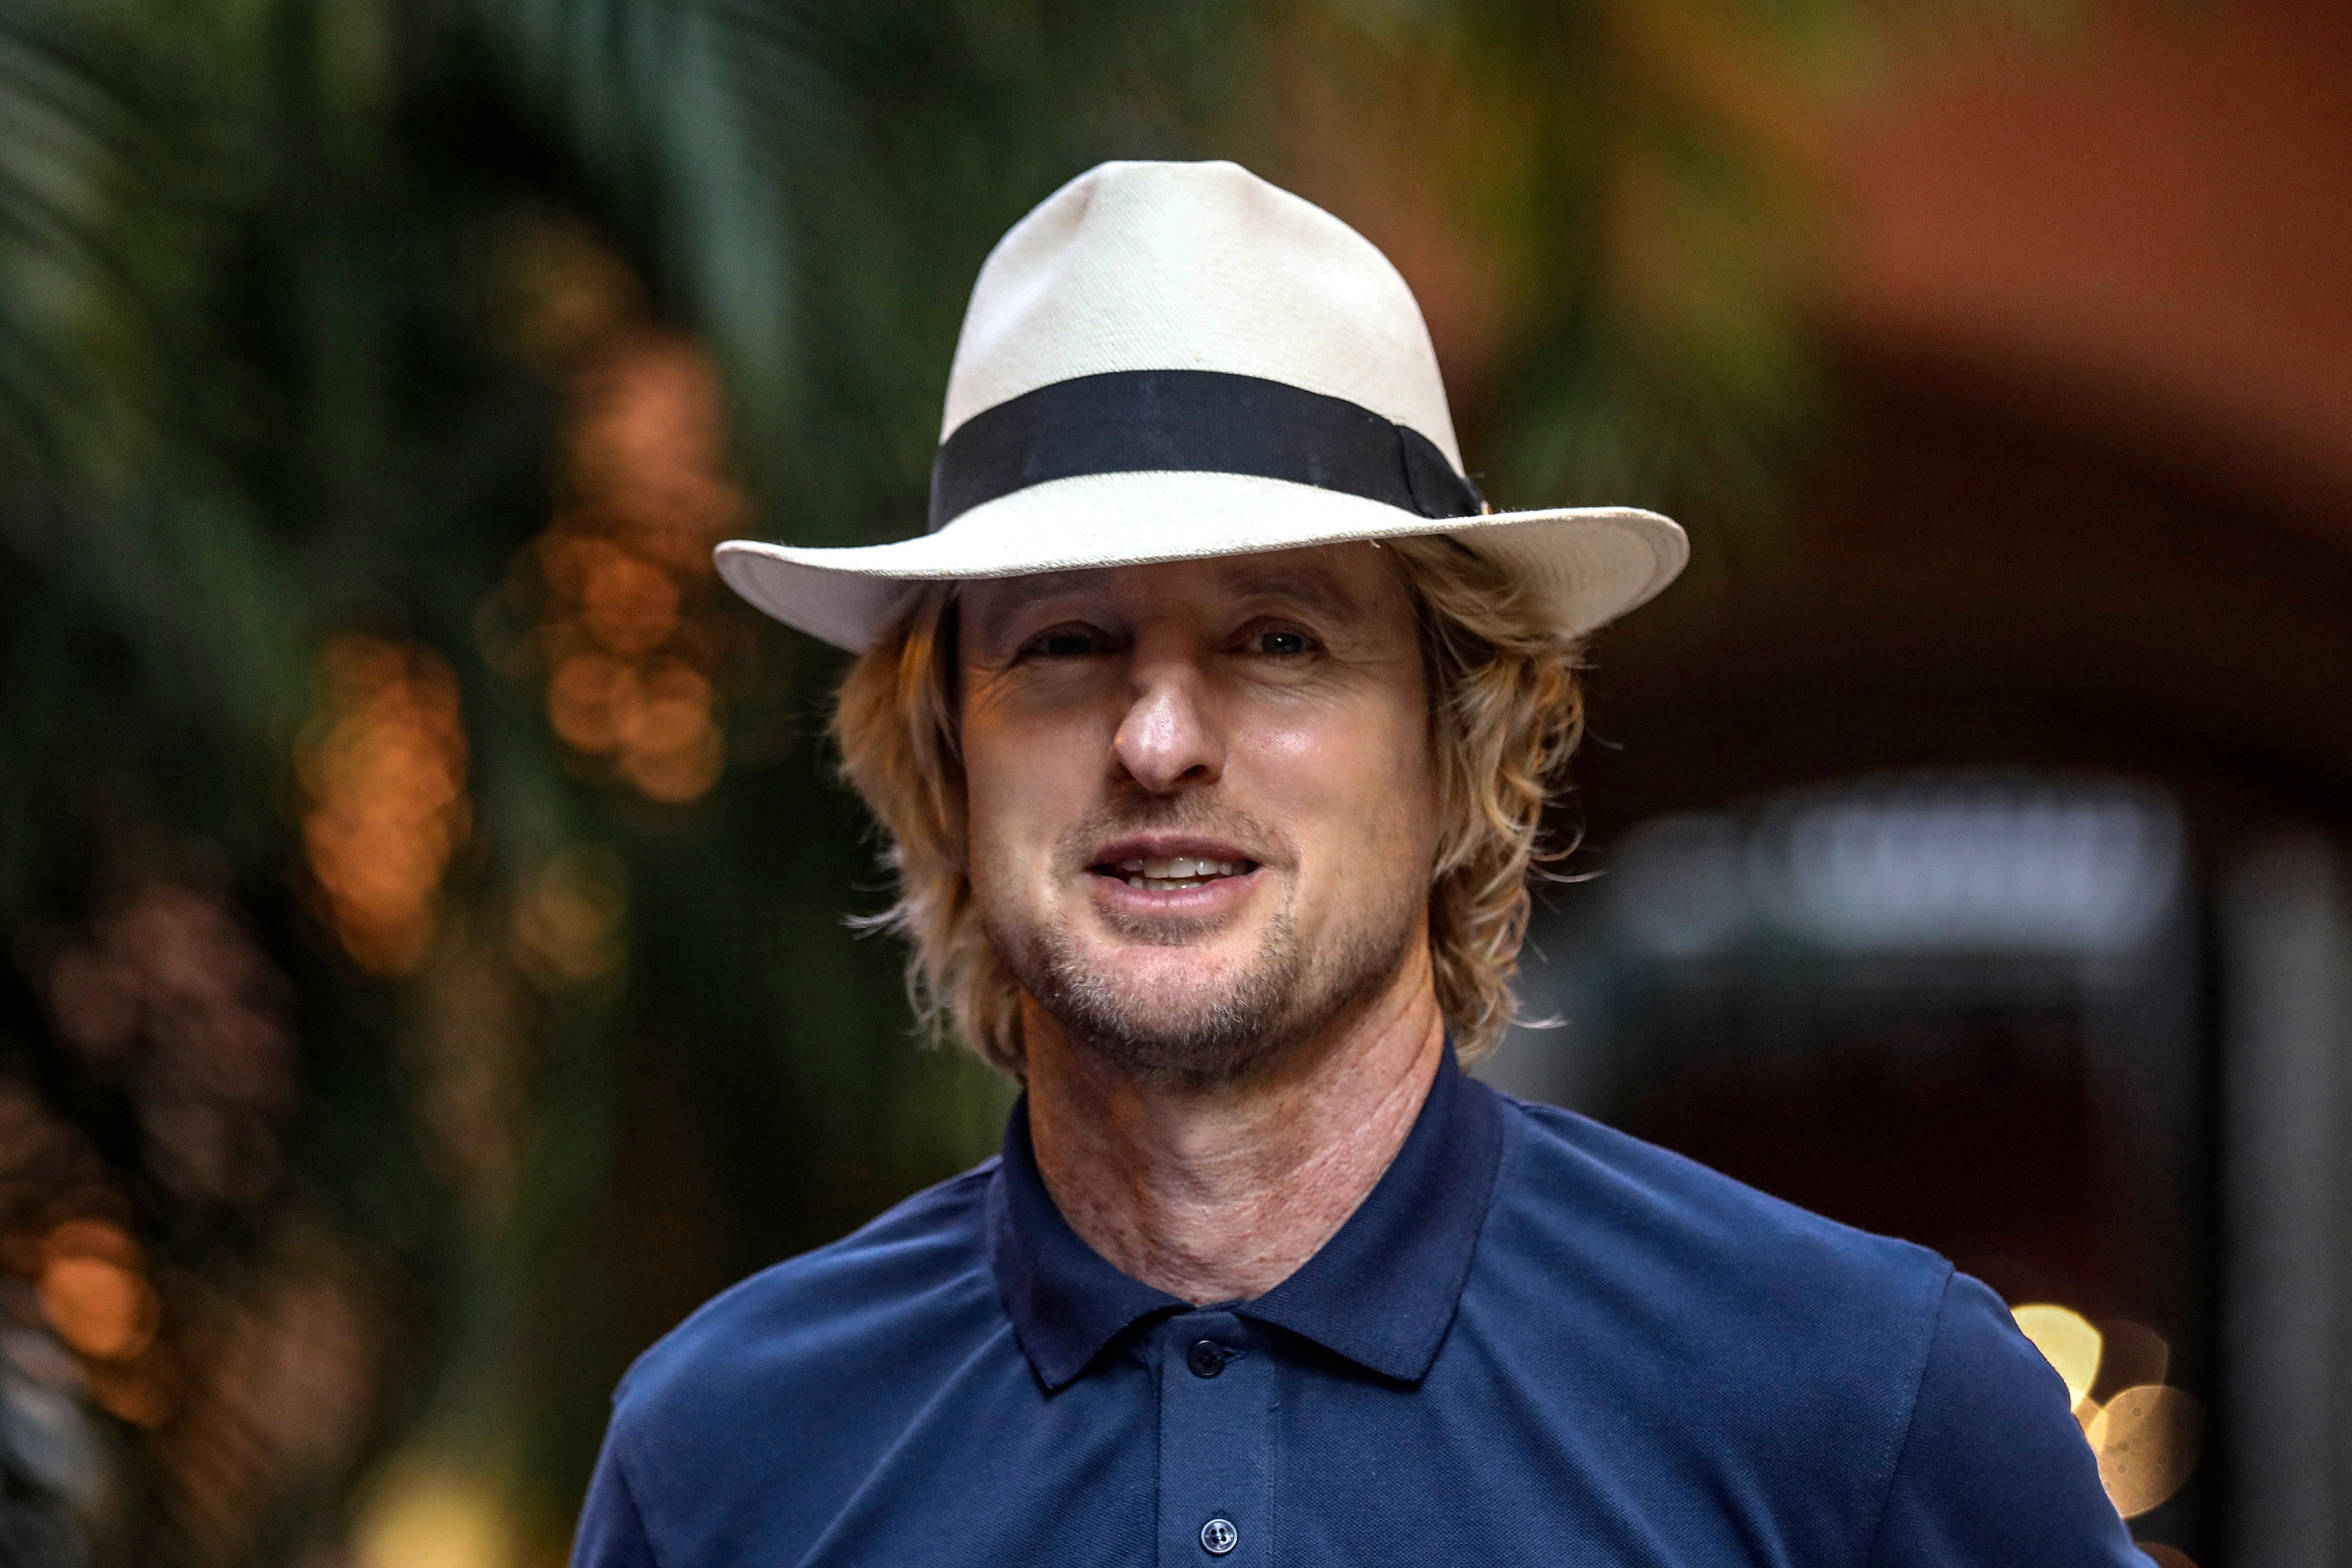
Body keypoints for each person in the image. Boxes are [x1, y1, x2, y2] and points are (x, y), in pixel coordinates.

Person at [572, 160, 2140, 1566]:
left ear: (1460, 744)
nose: (1159, 739)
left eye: (1278, 639)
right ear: (943, 760)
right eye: (1064, 642)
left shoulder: (1856, 1397)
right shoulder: (728, 1456)